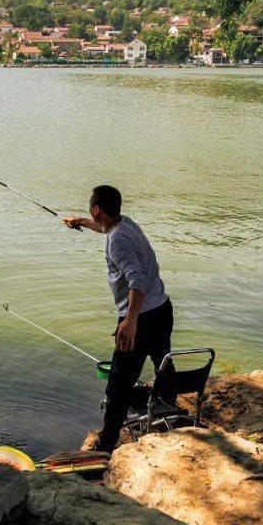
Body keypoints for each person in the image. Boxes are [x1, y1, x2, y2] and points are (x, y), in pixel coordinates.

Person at [63, 185, 172, 451]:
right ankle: (171, 414)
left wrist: (129, 321)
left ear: (97, 208)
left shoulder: (117, 241)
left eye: (91, 212)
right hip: (162, 310)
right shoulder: (126, 224)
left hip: (141, 319)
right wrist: (80, 222)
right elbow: (104, 227)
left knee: (117, 387)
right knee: (163, 368)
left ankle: (107, 446)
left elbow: (137, 280)